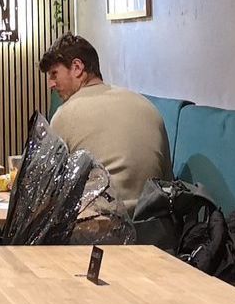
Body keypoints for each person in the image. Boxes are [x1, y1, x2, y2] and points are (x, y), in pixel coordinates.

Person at [40, 34, 170, 208]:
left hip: (98, 220)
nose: (51, 84)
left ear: (77, 68)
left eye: (54, 74)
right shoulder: (148, 106)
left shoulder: (64, 115)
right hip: (154, 218)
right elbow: (167, 180)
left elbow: (47, 189)